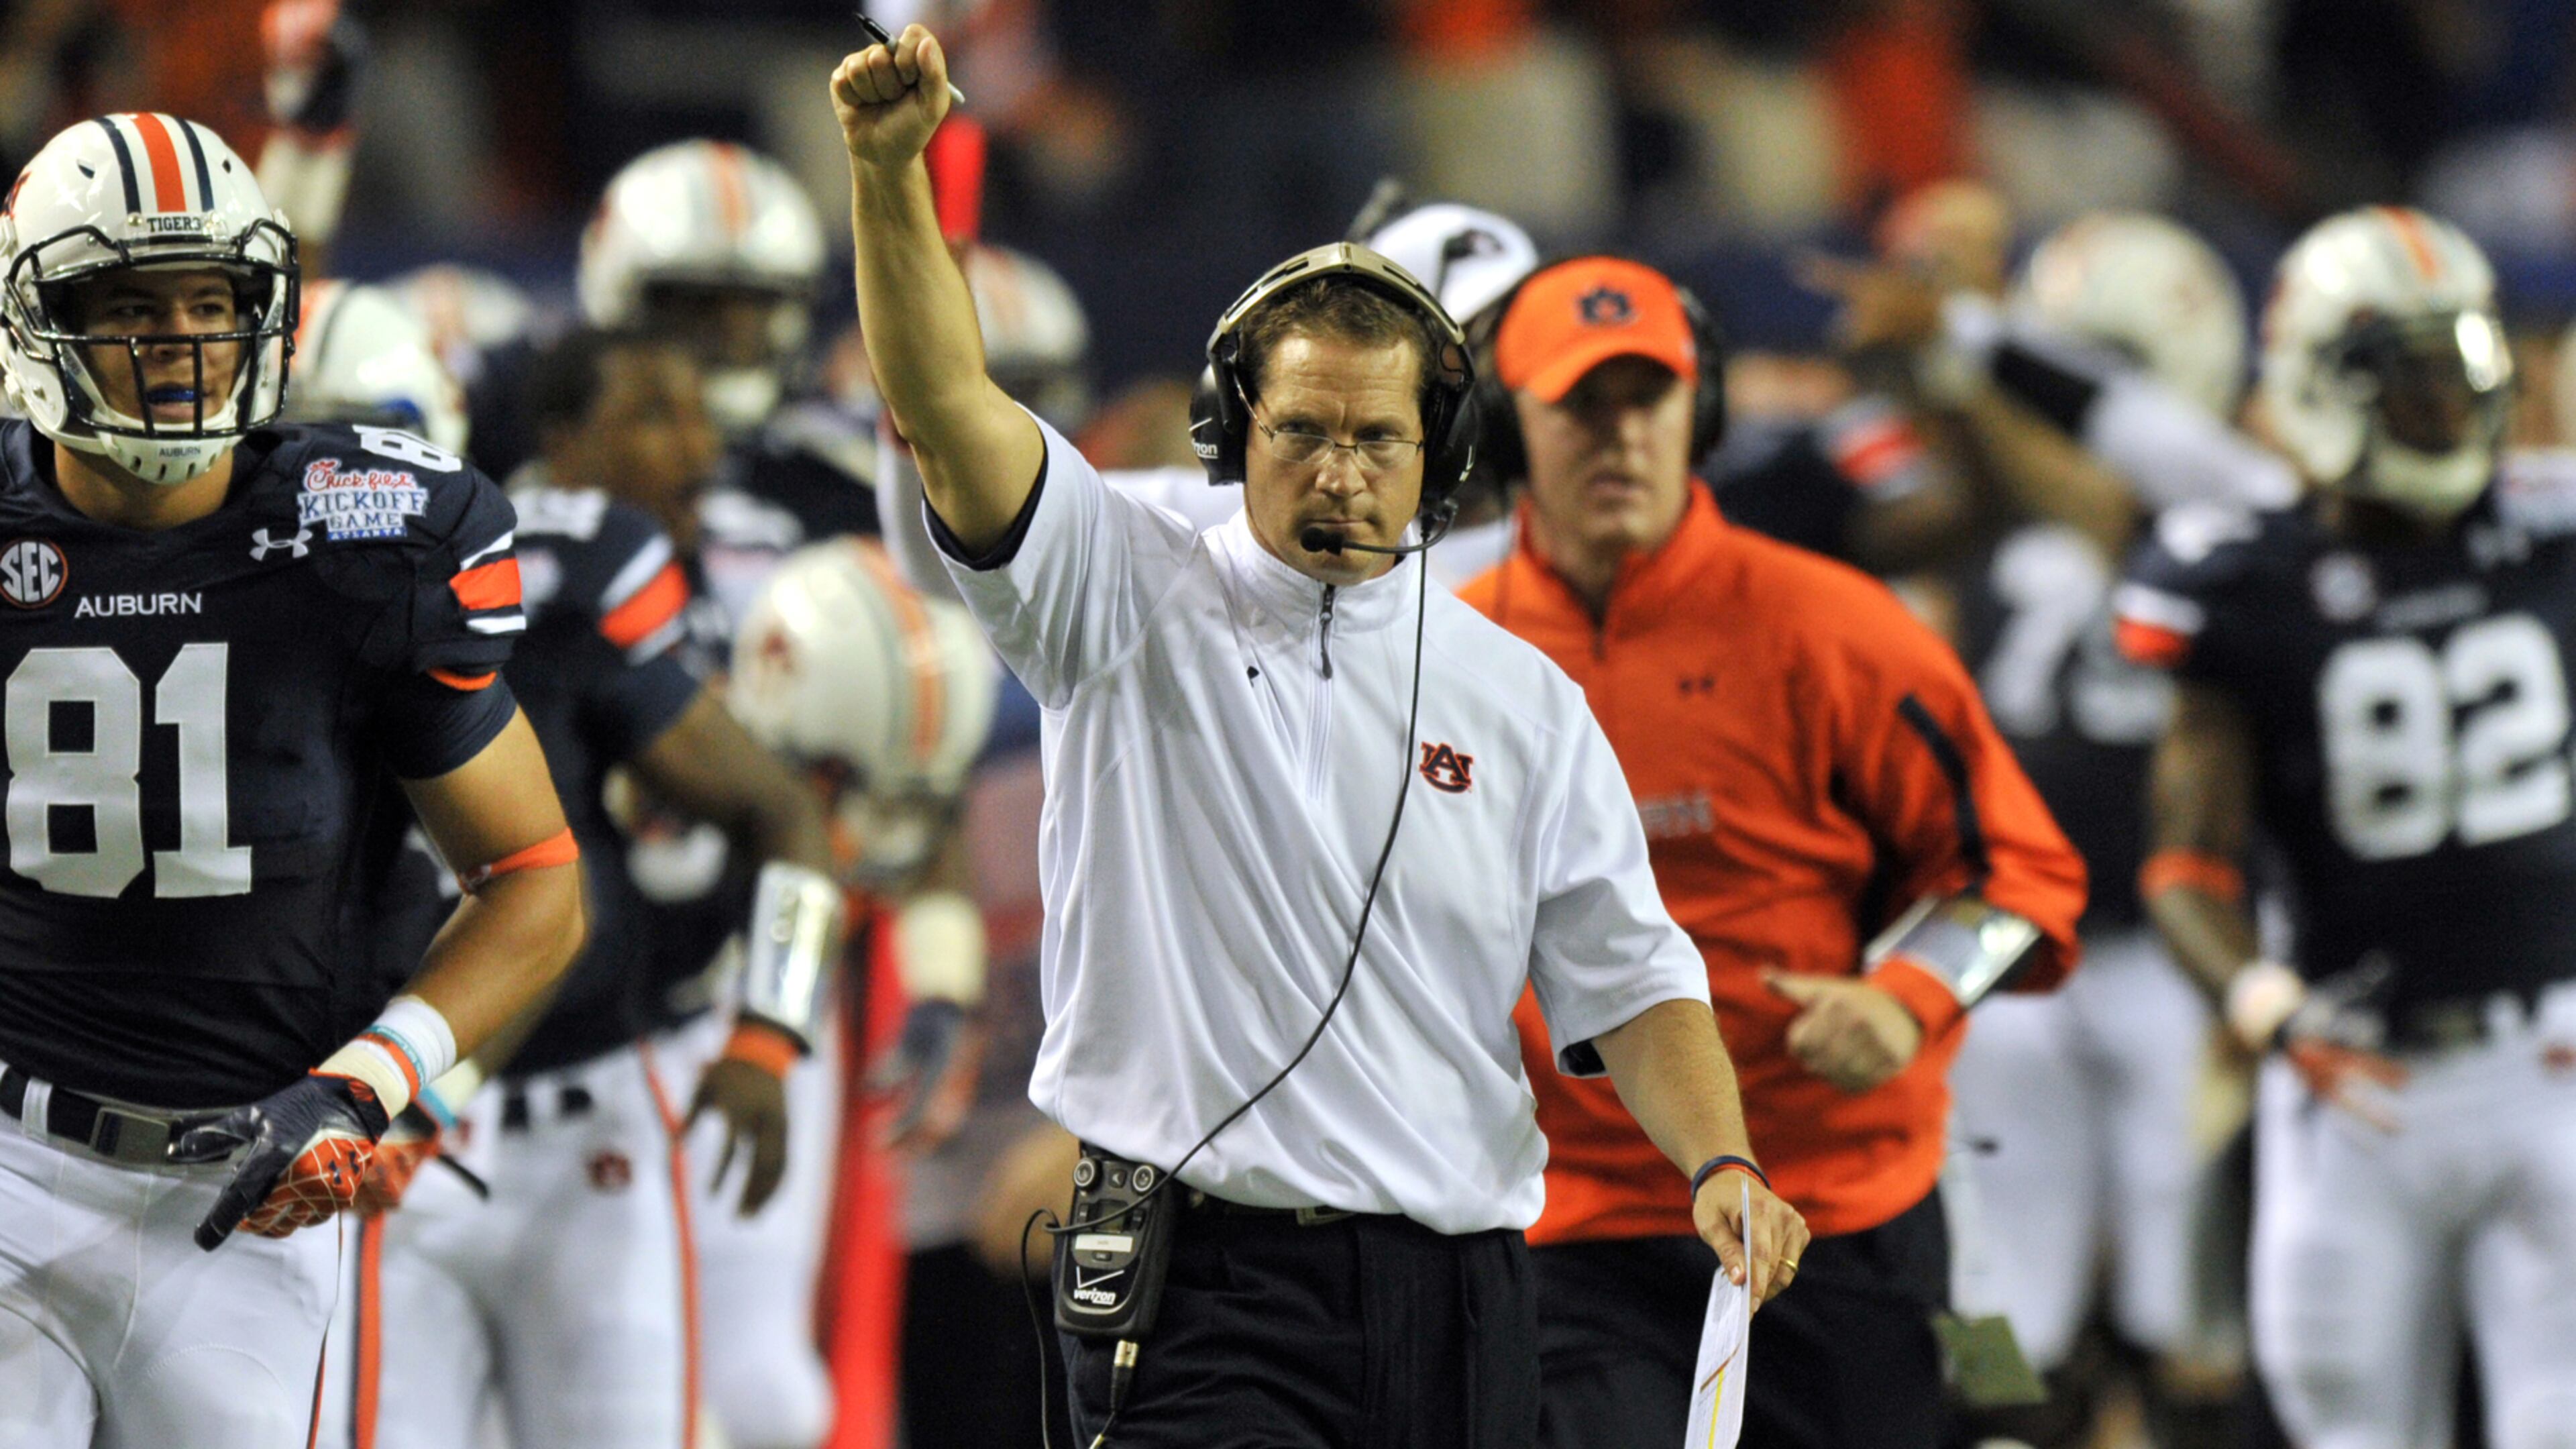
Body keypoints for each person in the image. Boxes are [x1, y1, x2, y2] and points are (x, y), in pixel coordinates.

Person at [833, 26, 1805, 1446]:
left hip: (1464, 1292)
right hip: (1201, 1287)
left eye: (1377, 439)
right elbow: (946, 408)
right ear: (1235, 433)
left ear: (1442, 459)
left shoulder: (1522, 699)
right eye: (1300, 432)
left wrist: (1717, 1156)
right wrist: (887, 179)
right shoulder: (1120, 583)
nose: (1338, 472)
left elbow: (1634, 979)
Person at [0, 113, 585, 1447]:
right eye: (131, 306)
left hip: (247, 1201)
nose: (182, 345)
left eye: (213, 302)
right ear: (32, 319)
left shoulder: (355, 539)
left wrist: (370, 1082)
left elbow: (535, 877)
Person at [1456, 254, 2089, 1449]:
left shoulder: (1839, 631)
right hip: (1575, 1224)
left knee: (2005, 1408)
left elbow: (2019, 873)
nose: (1620, 439)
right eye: (1579, 406)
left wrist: (1905, 999)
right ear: (1503, 423)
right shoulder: (1450, 655)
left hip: (1837, 1207)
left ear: (1702, 412)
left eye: (1649, 400)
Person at [2118, 205, 2576, 1448]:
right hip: (2356, 1079)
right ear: (2322, 386)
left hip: (2554, 1068)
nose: (2449, 410)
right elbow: (2183, 865)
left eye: (2464, 372)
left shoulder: (2553, 527)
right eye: (2411, 381)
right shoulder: (2245, 581)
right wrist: (2266, 1011)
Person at [335, 329, 839, 1449]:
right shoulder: (238, 626)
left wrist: (771, 1029)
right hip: (368, 1141)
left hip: (571, 1133)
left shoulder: (548, 594)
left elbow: (782, 812)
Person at [725, 537, 1005, 1449]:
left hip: (785, 1029)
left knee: (775, 1394)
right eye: (846, 783)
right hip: (644, 1047)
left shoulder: (858, 731)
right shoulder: (675, 719)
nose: (869, 831)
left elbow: (919, 825)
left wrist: (942, 991)